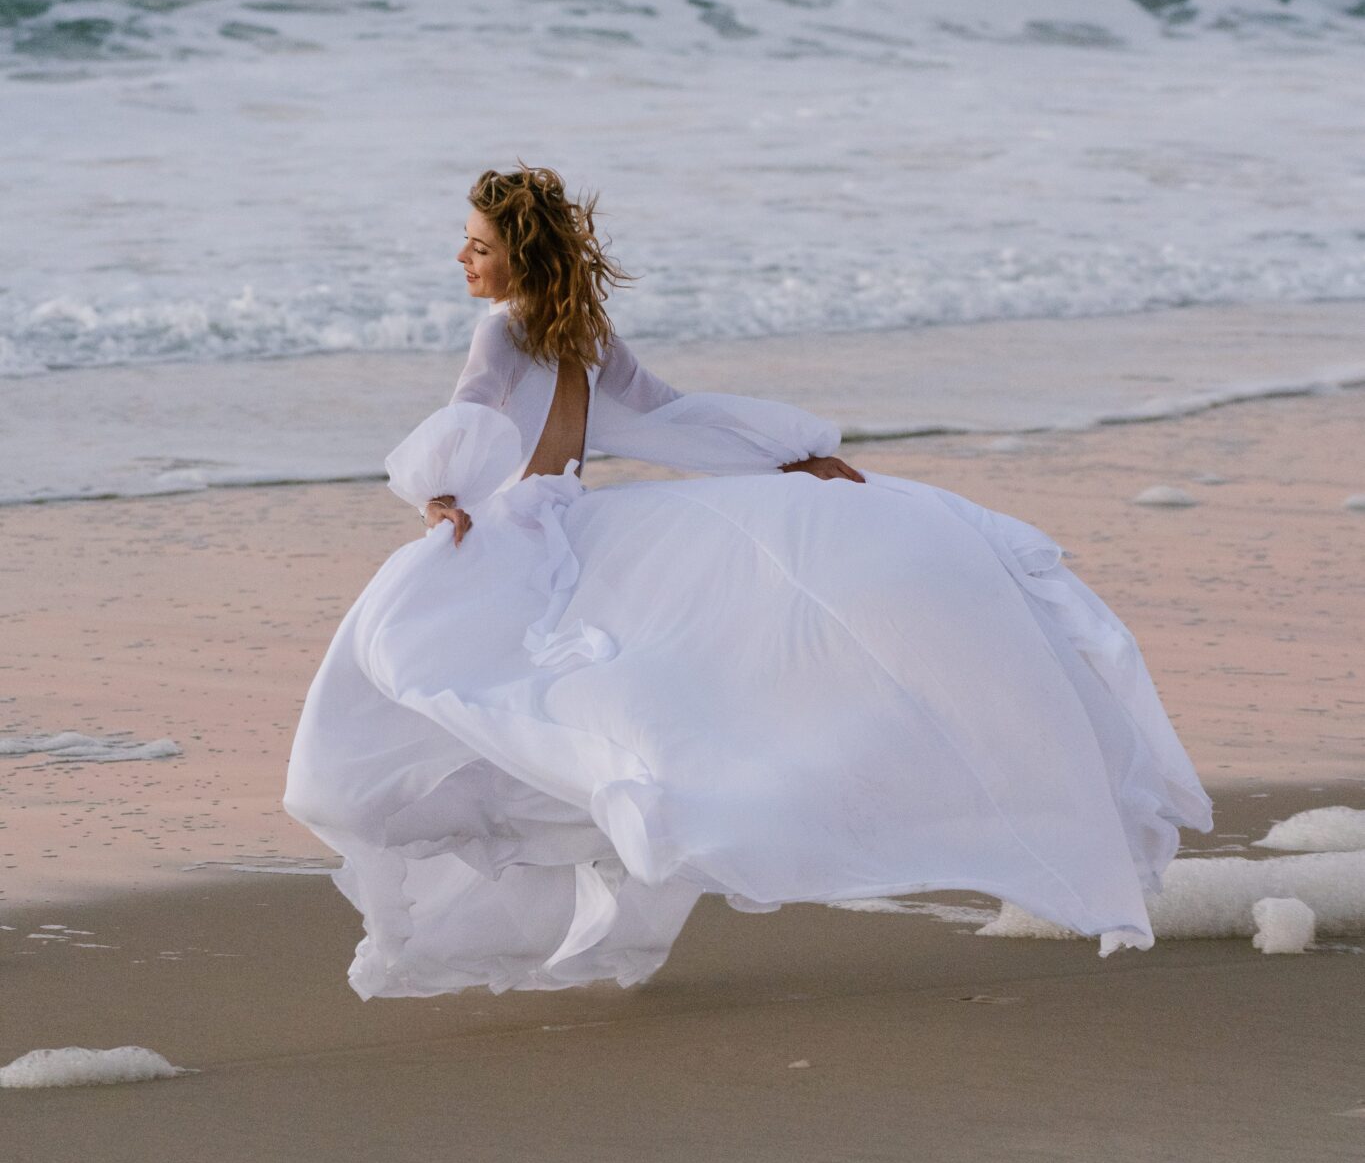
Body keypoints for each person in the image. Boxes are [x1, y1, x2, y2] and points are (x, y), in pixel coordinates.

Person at [285, 166, 1211, 998]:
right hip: (571, 525)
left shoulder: (502, 333)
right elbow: (673, 414)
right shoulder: (584, 330)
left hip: (530, 533)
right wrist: (789, 456)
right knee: (564, 694)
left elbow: (473, 413)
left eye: (477, 246)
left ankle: (564, 821)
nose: (461, 258)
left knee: (428, 667)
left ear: (516, 257)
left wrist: (435, 492)